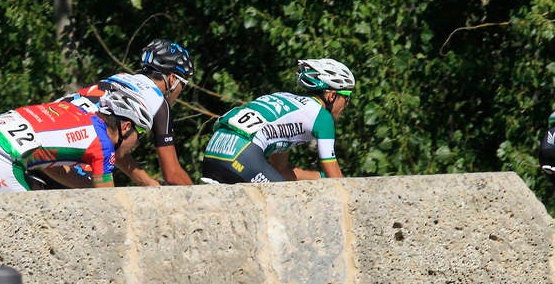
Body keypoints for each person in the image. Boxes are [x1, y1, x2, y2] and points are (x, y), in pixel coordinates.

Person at [46, 38, 196, 187]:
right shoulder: (159, 104)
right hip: (66, 147)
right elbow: (172, 174)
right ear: (172, 79)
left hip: (46, 124)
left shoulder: (120, 78)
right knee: (103, 197)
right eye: (183, 85)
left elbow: (113, 143)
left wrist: (148, 182)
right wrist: (203, 197)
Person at [0, 86, 153, 193]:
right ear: (126, 127)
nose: (136, 144)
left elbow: (50, 166)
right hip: (1, 164)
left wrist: (89, 188)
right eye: (140, 135)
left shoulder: (75, 112)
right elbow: (107, 203)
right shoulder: (103, 146)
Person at [201, 58, 355, 183]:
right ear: (332, 95)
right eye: (346, 97)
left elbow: (280, 170)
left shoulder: (288, 103)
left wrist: (320, 178)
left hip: (213, 152)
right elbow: (336, 181)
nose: (346, 104)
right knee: (287, 206)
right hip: (241, 154)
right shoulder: (323, 117)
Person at [538, 111, 555, 185]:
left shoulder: (548, 132)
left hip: (544, 154)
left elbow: (541, 149)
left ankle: (550, 165)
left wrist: (542, 164)